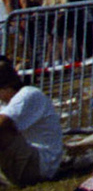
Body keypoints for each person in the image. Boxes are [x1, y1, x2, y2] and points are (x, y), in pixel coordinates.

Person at [0, 55, 63, 186]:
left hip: (41, 165)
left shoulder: (28, 94)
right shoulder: (6, 103)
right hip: (28, 161)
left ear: (6, 87)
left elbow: (2, 124)